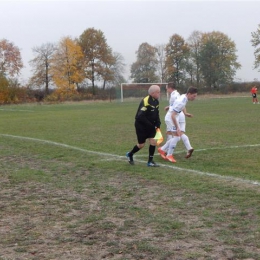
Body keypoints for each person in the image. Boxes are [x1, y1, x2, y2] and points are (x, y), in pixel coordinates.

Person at [158, 86, 198, 163]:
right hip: (170, 118)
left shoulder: (183, 97)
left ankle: (162, 149)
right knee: (177, 137)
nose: (195, 98)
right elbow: (173, 115)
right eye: (194, 96)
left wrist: (185, 113)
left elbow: (176, 105)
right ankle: (169, 155)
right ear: (189, 94)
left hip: (172, 117)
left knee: (178, 137)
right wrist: (177, 127)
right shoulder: (182, 101)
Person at [126, 84, 161, 167]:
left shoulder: (156, 101)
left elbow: (156, 114)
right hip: (141, 125)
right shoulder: (146, 101)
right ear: (152, 93)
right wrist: (150, 125)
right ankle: (130, 154)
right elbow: (140, 116)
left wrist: (158, 123)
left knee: (153, 141)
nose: (159, 93)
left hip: (151, 125)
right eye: (158, 92)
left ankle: (150, 161)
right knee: (141, 145)